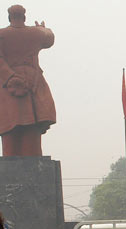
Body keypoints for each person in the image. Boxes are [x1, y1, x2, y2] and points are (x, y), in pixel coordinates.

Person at [0, 5, 56, 156]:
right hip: (33, 84)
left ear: (9, 17)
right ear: (24, 17)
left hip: (8, 88)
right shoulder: (35, 33)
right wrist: (42, 28)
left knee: (10, 129)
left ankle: (10, 172)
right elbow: (50, 38)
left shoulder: (1, 35)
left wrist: (10, 77)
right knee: (32, 129)